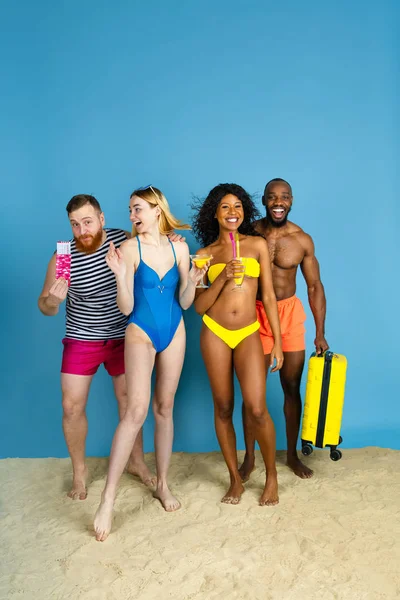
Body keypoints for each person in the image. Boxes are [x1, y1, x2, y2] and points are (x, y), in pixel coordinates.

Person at [93, 185, 207, 542]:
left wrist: (193, 281)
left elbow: (186, 303)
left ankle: (163, 484)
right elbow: (126, 307)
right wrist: (118, 275)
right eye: (130, 210)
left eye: (137, 209)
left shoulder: (180, 246)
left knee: (165, 407)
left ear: (157, 209)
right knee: (135, 411)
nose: (132, 216)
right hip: (140, 330)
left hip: (174, 330)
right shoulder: (129, 248)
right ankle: (107, 500)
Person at [38, 194, 155, 500]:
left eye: (88, 222)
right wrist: (53, 300)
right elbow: (45, 307)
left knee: (133, 400)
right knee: (70, 406)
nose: (82, 230)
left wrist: (164, 234)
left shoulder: (121, 240)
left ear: (102, 220)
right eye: (75, 225)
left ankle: (137, 462)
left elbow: (152, 245)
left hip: (123, 335)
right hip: (82, 337)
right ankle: (80, 473)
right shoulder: (63, 257)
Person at [191, 183, 283, 507]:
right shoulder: (203, 255)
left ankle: (271, 475)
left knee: (257, 408)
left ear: (245, 211)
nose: (233, 213)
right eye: (225, 207)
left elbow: (268, 296)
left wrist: (278, 342)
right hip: (214, 331)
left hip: (248, 332)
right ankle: (234, 479)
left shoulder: (257, 245)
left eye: (238, 207)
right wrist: (223, 277)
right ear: (214, 213)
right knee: (224, 407)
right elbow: (198, 307)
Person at [239, 178, 329, 481]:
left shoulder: (302, 239)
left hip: (289, 315)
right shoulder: (248, 232)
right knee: (253, 395)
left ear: (291, 201)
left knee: (292, 387)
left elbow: (314, 286)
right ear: (264, 199)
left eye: (285, 197)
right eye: (273, 197)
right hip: (255, 315)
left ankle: (291, 455)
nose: (279, 202)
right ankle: (250, 458)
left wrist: (319, 332)